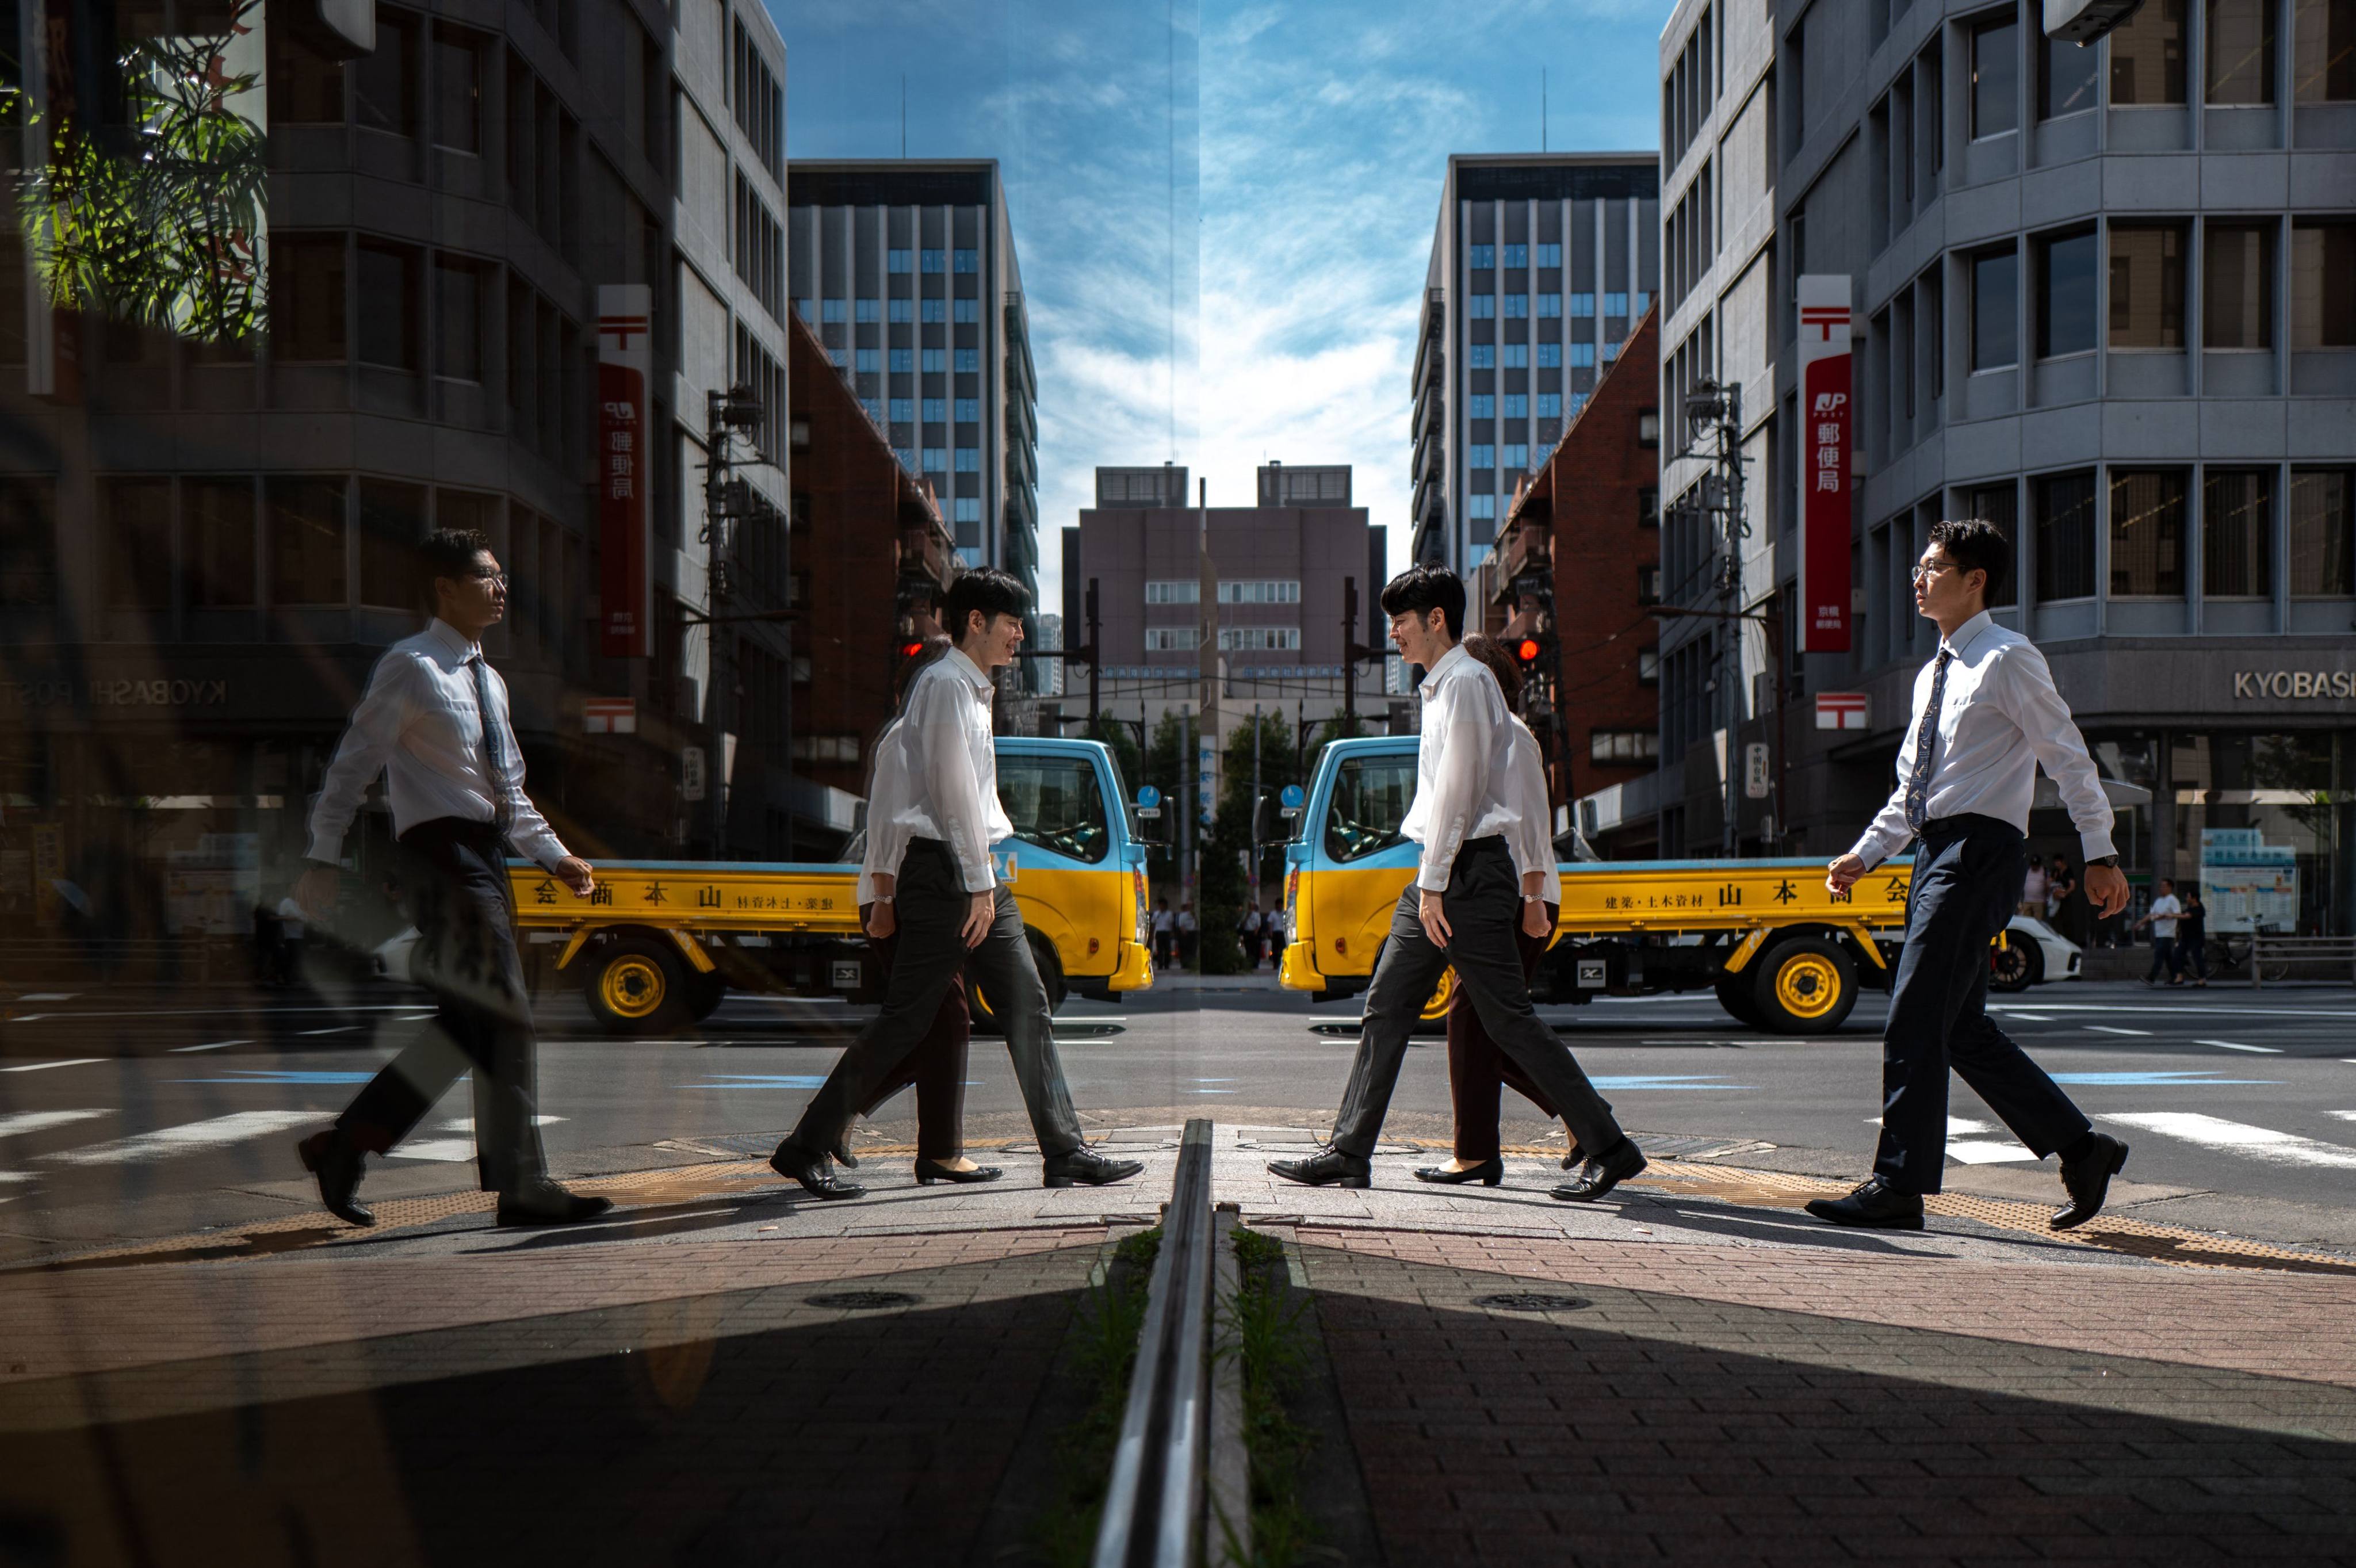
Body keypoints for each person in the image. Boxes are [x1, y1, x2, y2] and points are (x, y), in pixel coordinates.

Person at [1269, 565, 1643, 1202]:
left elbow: (1460, 793)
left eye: (1400, 622)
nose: (1393, 633)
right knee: (1386, 1007)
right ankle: (1349, 1151)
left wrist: (1437, 885)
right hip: (1439, 875)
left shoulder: (1467, 682)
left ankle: (1610, 1147)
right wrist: (1430, 881)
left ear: (1436, 619)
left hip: (1467, 876)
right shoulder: (1440, 687)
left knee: (1508, 1022)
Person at [767, 568, 1142, 1198]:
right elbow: (951, 795)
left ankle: (1064, 1151)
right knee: (907, 1020)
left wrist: (982, 878)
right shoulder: (943, 685)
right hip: (945, 876)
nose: (1020, 635)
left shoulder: (972, 690)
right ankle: (805, 1145)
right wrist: (972, 885)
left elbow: (965, 799)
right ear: (976, 621)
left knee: (1027, 1003)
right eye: (1013, 623)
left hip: (974, 872)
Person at [1809, 519, 2133, 1236]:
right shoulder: (1933, 673)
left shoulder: (2008, 657)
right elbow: (1916, 789)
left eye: (1933, 567)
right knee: (1958, 1029)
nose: (1918, 579)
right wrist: (1867, 852)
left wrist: (2099, 852)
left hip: (1980, 853)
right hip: (1934, 851)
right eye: (1920, 567)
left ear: (1975, 579)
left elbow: (2067, 754)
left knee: (1914, 1016)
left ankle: (1898, 1186)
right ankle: (2084, 1149)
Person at [293, 529, 610, 1229]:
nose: (501, 588)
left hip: (486, 857)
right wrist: (322, 855)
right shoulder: (410, 666)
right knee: (506, 1013)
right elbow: (354, 763)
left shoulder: (489, 680)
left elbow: (506, 791)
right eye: (486, 577)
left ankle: (345, 1144)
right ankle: (523, 1186)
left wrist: (554, 855)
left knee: (468, 1026)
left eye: (501, 576)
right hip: (439, 859)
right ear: (444, 587)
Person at [1413, 634, 1585, 1186]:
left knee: (1483, 1023)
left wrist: (1533, 903)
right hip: (1499, 896)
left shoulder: (1512, 734)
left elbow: (1534, 823)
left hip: (1520, 898)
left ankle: (1497, 1147)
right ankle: (1569, 1125)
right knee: (1485, 1025)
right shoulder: (1479, 730)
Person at [2136, 878, 2183, 986]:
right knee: (2168, 958)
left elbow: (2178, 914)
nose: (2161, 888)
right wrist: (2141, 923)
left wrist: (2164, 916)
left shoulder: (2173, 900)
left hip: (2168, 934)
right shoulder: (2159, 900)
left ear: (2170, 887)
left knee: (2159, 956)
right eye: (2160, 886)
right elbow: (2151, 914)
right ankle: (2175, 978)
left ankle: (2151, 978)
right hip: (2159, 933)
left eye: (2164, 886)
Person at [2175, 886, 2210, 986]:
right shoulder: (2189, 908)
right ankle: (2179, 977)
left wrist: (2172, 915)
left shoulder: (2199, 909)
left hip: (2196, 938)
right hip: (2186, 938)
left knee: (2197, 957)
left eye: (2188, 897)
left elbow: (2188, 916)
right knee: (2178, 954)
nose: (2187, 899)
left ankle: (2202, 980)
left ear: (2194, 898)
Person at [2021, 854, 2049, 920]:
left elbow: (2047, 885)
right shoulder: (2027, 870)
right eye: (2033, 865)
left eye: (2036, 865)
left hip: (2039, 902)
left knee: (2038, 921)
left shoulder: (2044, 871)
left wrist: (2047, 898)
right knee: (2025, 920)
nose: (2034, 867)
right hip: (2027, 901)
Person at [1151, 896, 1176, 969]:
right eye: (1161, 905)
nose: (1162, 906)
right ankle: (1160, 965)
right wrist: (1152, 934)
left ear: (1166, 905)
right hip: (1159, 933)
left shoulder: (1169, 914)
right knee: (1160, 950)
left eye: (1164, 905)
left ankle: (1167, 965)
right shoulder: (1156, 914)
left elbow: (1172, 924)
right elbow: (1153, 924)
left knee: (1167, 950)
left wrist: (1172, 933)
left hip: (1167, 933)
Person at [1177, 900, 1198, 969]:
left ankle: (1192, 964)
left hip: (1194, 932)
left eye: (1192, 906)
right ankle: (1185, 964)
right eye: (1189, 906)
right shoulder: (1183, 915)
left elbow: (1197, 923)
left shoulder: (1195, 914)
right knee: (1185, 950)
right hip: (1186, 933)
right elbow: (1181, 925)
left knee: (1193, 950)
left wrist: (1195, 916)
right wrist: (1184, 932)